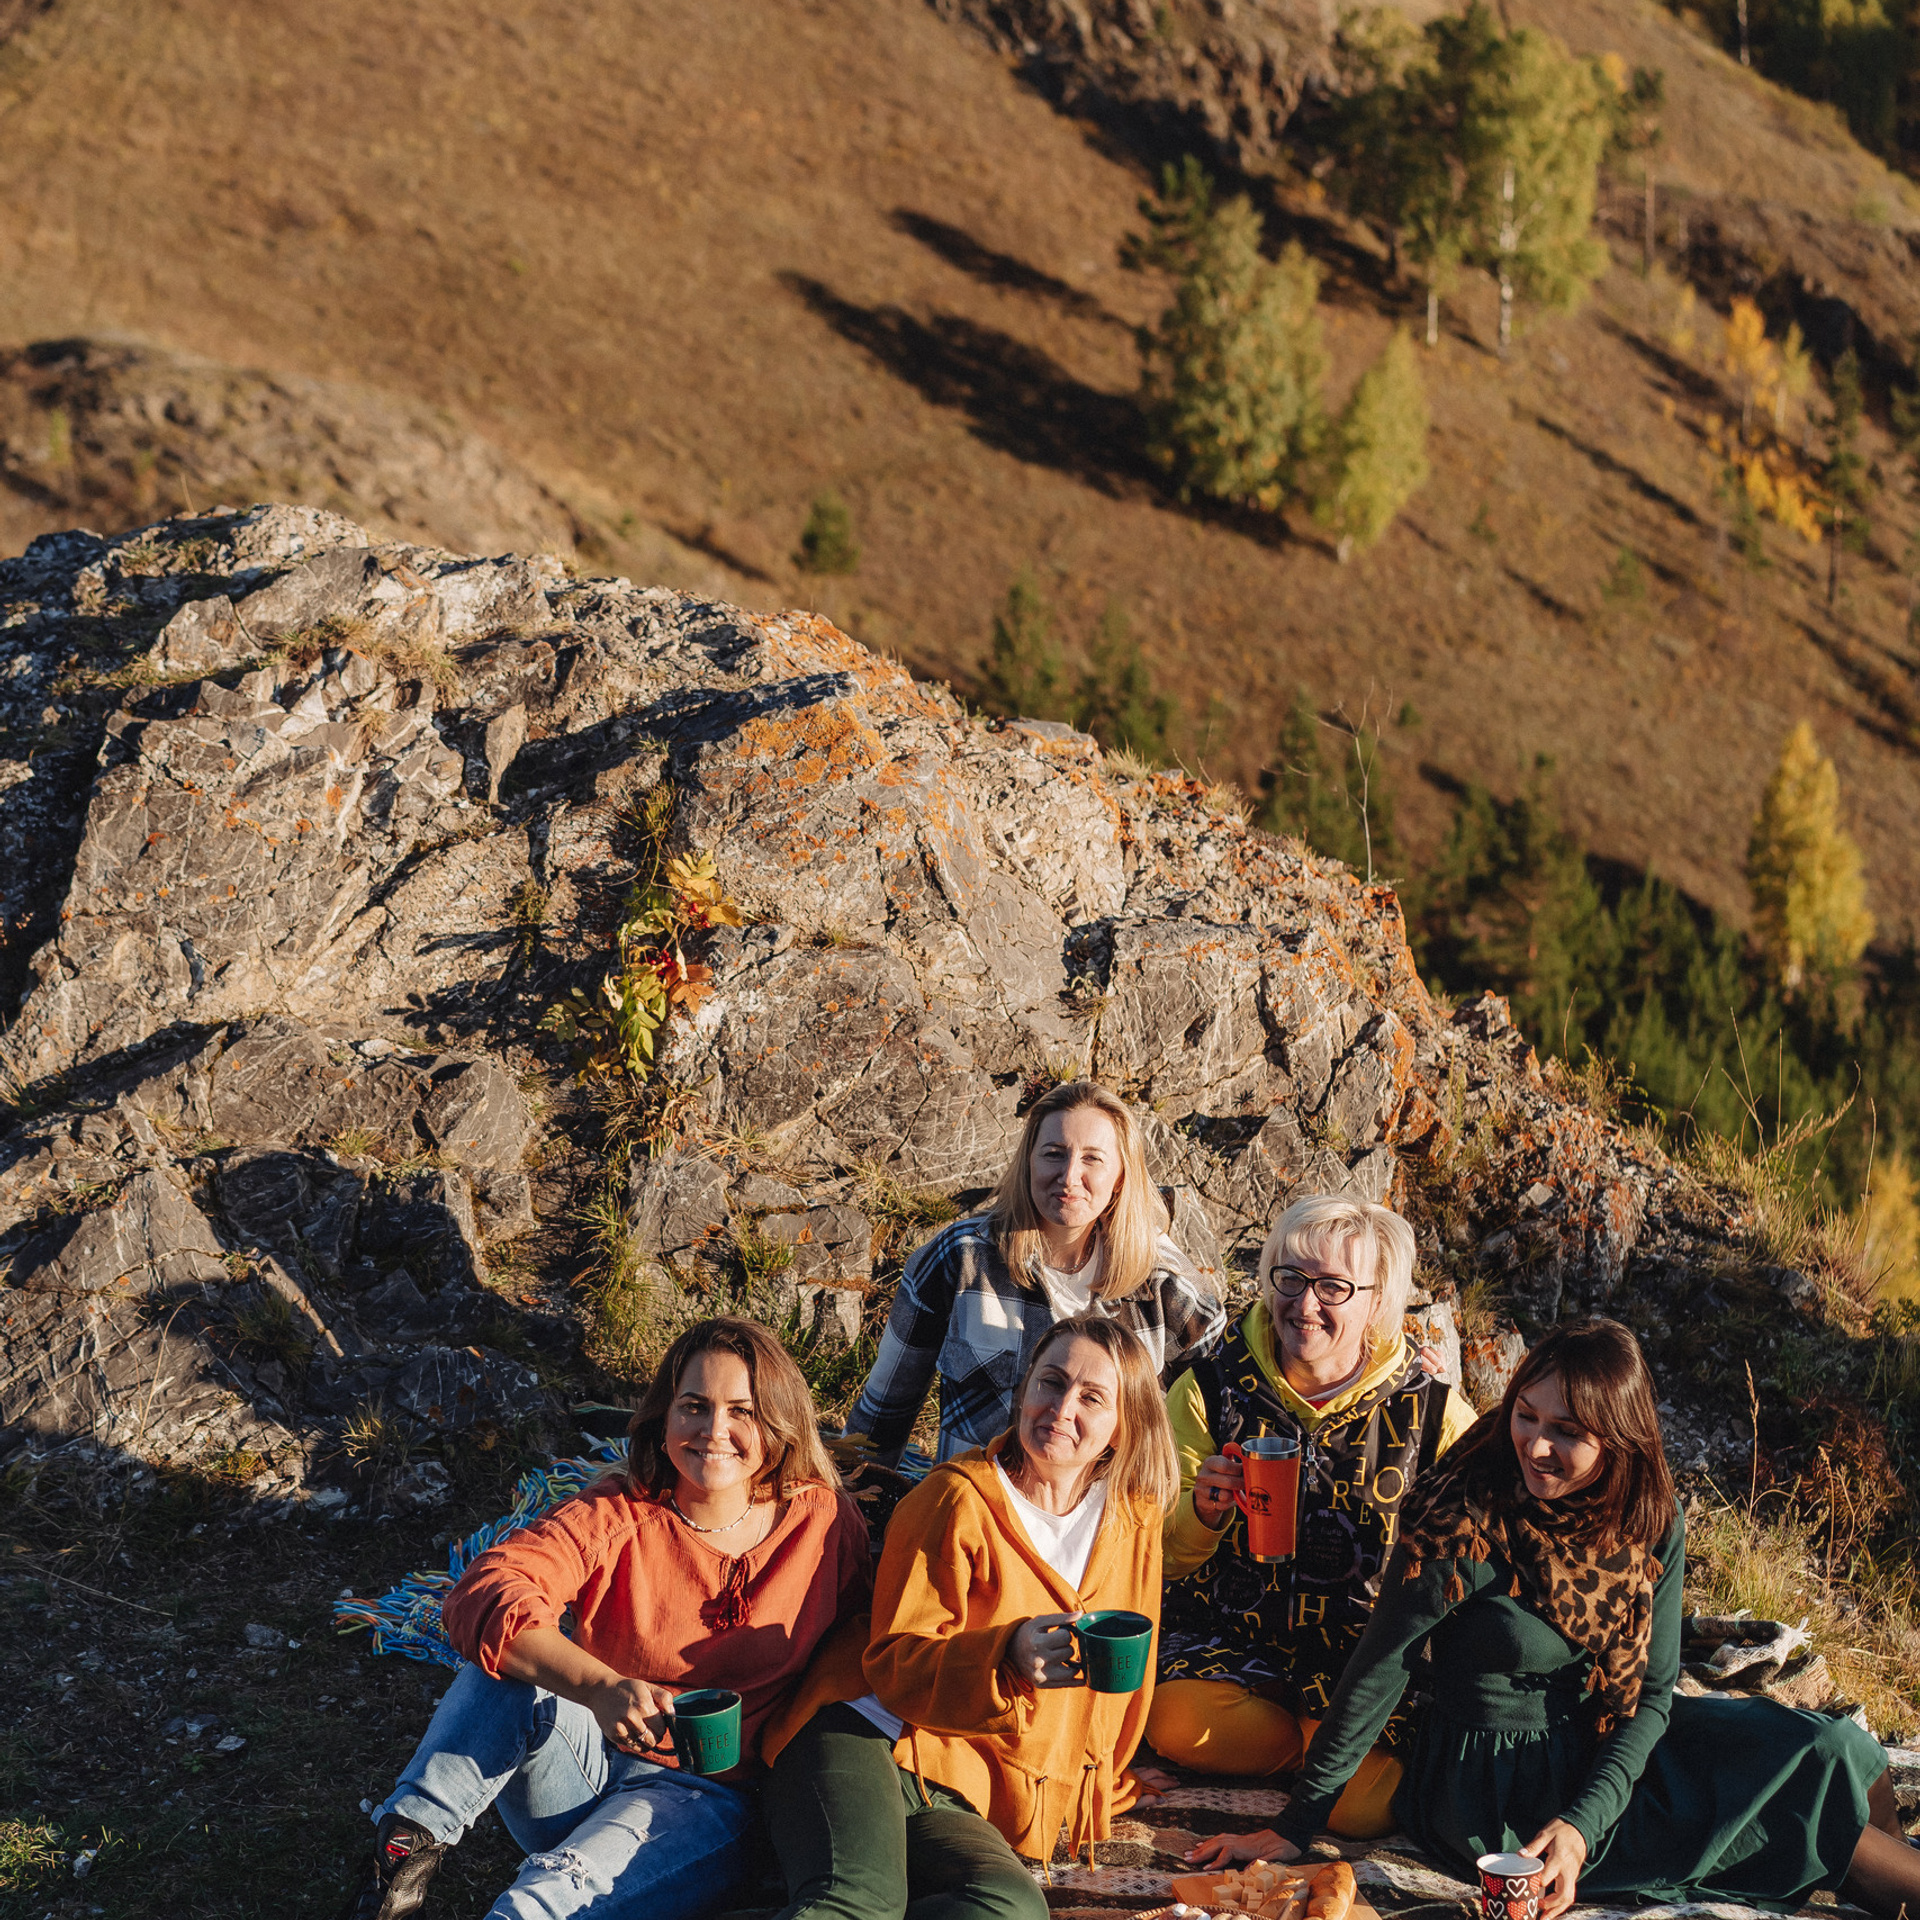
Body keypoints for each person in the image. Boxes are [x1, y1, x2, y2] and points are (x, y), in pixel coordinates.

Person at [1188, 1318, 1920, 1920]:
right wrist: (1296, 1824)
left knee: (1834, 1748)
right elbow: (1380, 1671)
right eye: (1525, 1415)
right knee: (1821, 1826)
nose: (1534, 1445)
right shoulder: (1461, 1517)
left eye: (1565, 1431)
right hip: (1497, 1787)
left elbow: (1654, 1693)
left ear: (1617, 1440)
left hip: (1602, 1736)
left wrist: (1586, 1821)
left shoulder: (1646, 1516)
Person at [338, 1317, 871, 1920]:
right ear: (663, 1417)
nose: (714, 1430)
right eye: (694, 1405)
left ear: (776, 1423)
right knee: (507, 1669)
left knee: (536, 1906)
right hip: (586, 1765)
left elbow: (863, 1637)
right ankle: (395, 1875)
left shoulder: (821, 1524)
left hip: (707, 1800)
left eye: (741, 1411)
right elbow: (483, 1592)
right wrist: (598, 1687)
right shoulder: (619, 1511)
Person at [759, 1312, 1182, 1920]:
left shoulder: (1131, 1519)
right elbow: (893, 1664)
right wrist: (1003, 1653)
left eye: (1092, 1397)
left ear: (1122, 1426)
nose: (1062, 1409)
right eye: (1051, 1382)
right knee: (859, 1903)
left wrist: (1098, 1775)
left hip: (952, 1780)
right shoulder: (955, 1500)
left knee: (1008, 1909)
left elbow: (1123, 1668)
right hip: (859, 1732)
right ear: (1023, 1389)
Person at [1148, 1194, 1476, 1836]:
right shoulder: (1209, 1389)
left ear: (1377, 1300)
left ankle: (1314, 1754)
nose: (1304, 1304)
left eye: (1333, 1287)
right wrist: (1204, 1513)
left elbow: (1487, 1529)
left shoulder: (1432, 1410)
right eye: (1290, 1278)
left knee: (1363, 1811)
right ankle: (1309, 1754)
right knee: (1177, 1723)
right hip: (1233, 1636)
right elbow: (1159, 1553)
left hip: (1360, 1650)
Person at [845, 1079, 1224, 1465]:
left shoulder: (1162, 1279)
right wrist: (851, 1507)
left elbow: (1215, 1415)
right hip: (977, 1511)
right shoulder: (961, 1258)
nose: (1069, 1176)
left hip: (1113, 1517)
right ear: (1028, 1162)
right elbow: (883, 1415)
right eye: (1054, 1154)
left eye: (1092, 1158)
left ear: (1120, 1177)